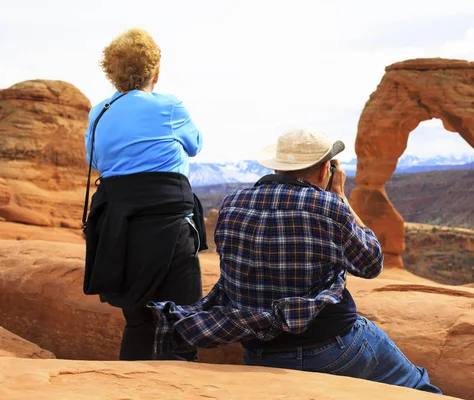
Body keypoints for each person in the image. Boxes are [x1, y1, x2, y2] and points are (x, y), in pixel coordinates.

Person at [149, 128, 441, 393]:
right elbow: (371, 263)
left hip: (259, 352)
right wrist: (340, 197)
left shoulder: (231, 203)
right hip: (332, 346)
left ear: (277, 165)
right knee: (418, 387)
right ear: (326, 168)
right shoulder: (328, 206)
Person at [82, 28, 207, 361]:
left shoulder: (99, 112)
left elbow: (94, 161)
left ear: (113, 73)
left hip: (117, 225)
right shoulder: (168, 106)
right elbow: (195, 145)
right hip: (168, 222)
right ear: (156, 71)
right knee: (182, 319)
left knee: (138, 319)